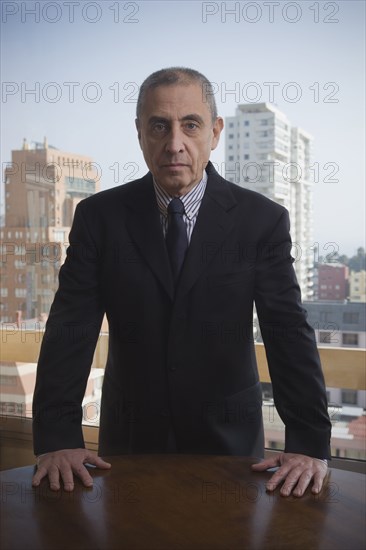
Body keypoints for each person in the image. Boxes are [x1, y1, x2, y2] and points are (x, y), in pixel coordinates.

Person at [32, 67, 331, 497]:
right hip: (129, 445)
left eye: (190, 125)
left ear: (215, 132)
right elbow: (70, 328)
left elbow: (287, 330)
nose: (175, 143)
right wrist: (58, 438)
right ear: (140, 133)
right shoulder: (100, 218)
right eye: (159, 126)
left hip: (231, 448)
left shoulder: (261, 221)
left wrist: (308, 444)